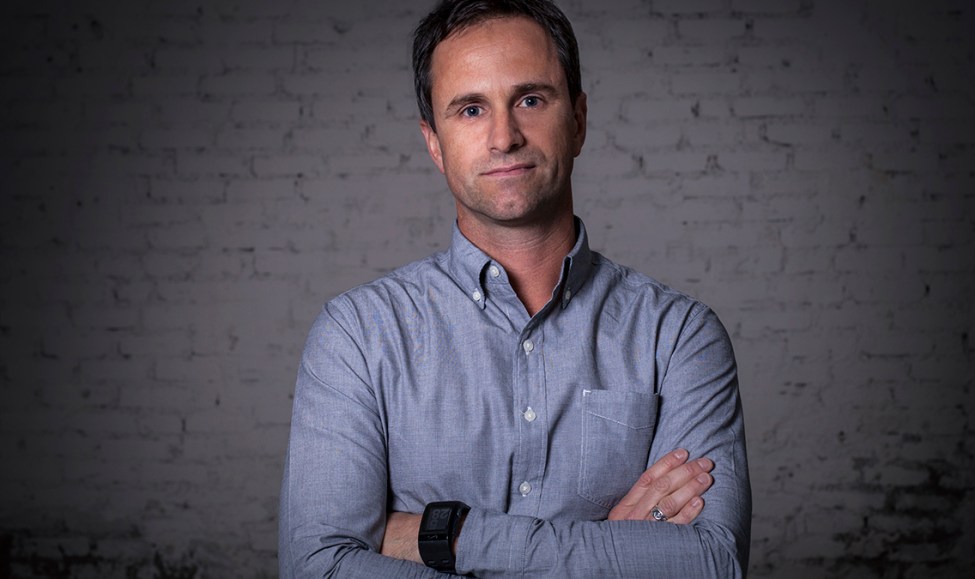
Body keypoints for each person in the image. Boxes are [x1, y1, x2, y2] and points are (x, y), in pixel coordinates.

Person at [278, 0, 751, 576]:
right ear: (434, 143)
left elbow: (711, 563)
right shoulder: (357, 335)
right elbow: (319, 568)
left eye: (530, 100)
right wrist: (612, 548)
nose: (504, 137)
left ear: (578, 121)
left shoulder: (678, 336)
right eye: (471, 109)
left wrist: (447, 537)